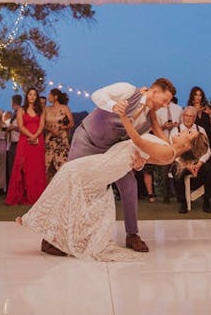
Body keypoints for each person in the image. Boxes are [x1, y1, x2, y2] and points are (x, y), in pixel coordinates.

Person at [17, 111, 199, 261]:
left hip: (112, 163)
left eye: (189, 133)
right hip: (114, 159)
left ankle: (39, 224)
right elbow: (146, 152)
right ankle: (51, 235)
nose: (184, 130)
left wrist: (124, 118)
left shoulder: (168, 152)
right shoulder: (168, 147)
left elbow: (139, 142)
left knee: (70, 173)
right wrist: (150, 108)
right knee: (75, 182)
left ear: (188, 145)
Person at [65, 77, 176, 255]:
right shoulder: (128, 90)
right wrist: (113, 106)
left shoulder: (149, 120)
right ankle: (51, 239)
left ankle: (132, 234)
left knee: (130, 185)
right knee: (71, 184)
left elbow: (137, 144)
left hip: (111, 151)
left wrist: (139, 164)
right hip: (87, 139)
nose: (165, 105)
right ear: (154, 92)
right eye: (164, 100)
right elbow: (97, 95)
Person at [5, 88, 46, 206]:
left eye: (34, 95)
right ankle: (20, 195)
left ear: (36, 97)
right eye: (30, 94)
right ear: (26, 96)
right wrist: (31, 136)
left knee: (36, 168)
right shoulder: (21, 110)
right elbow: (20, 126)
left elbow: (42, 125)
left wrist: (36, 136)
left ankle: (36, 196)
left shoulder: (41, 110)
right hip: (25, 140)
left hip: (38, 141)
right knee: (22, 166)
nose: (32, 97)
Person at [171, 106, 211, 214]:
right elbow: (173, 151)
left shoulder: (200, 130)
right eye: (186, 116)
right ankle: (182, 202)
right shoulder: (175, 130)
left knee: (210, 171)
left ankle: (207, 201)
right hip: (182, 161)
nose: (188, 118)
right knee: (176, 172)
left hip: (197, 160)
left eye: (191, 116)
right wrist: (186, 165)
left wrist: (200, 163)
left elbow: (207, 149)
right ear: (183, 116)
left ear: (195, 118)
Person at [154, 97, 183, 202]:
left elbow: (183, 125)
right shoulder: (157, 111)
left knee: (178, 168)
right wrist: (163, 126)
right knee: (164, 169)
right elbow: (155, 128)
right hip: (164, 142)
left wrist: (177, 125)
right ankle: (166, 195)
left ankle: (179, 194)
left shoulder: (179, 109)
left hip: (177, 143)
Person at [44, 88, 74, 181]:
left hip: (61, 139)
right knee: (47, 166)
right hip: (49, 139)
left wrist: (60, 128)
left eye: (50, 95)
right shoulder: (46, 109)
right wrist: (51, 129)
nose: (48, 97)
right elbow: (43, 124)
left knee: (62, 165)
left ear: (55, 97)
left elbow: (71, 123)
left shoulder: (64, 108)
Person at [3, 94, 22, 190]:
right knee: (11, 167)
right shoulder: (15, 113)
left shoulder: (20, 113)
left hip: (18, 142)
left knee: (15, 167)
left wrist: (13, 128)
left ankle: (15, 188)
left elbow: (23, 128)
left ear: (12, 102)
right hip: (12, 143)